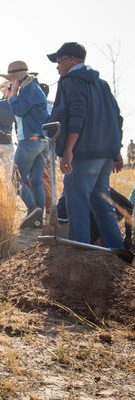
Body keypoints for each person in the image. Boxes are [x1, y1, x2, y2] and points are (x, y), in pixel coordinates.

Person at [47, 41, 124, 248]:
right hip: (105, 154)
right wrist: (117, 151)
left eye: (59, 60)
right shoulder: (102, 84)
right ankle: (117, 250)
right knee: (101, 203)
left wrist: (68, 150)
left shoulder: (71, 81)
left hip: (84, 153)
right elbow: (117, 117)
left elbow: (77, 113)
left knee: (77, 203)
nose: (57, 66)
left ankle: (80, 253)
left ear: (73, 60)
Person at [0, 61, 49, 230]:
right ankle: (37, 221)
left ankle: (32, 208)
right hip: (43, 142)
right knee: (35, 181)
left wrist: (13, 93)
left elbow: (18, 110)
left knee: (15, 180)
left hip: (29, 141)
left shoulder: (29, 90)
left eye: (11, 79)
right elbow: (6, 104)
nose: (11, 84)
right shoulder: (29, 89)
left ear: (15, 79)